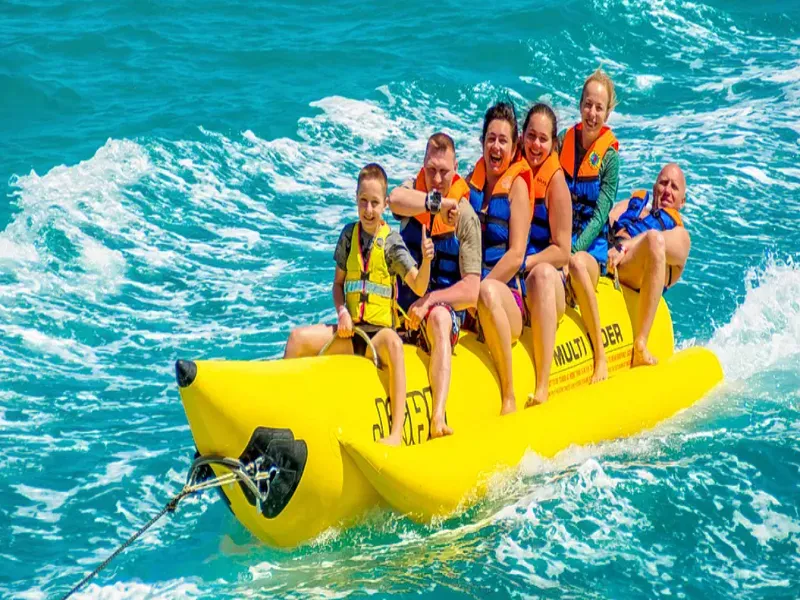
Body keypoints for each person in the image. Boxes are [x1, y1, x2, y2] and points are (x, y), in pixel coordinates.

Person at [283, 163, 434, 446]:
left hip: (378, 336)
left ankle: (396, 432)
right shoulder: (348, 236)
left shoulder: (391, 242)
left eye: (375, 203)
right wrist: (342, 312)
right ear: (356, 199)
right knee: (296, 339)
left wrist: (426, 260)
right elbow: (338, 285)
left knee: (395, 345)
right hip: (350, 333)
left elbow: (418, 285)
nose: (368, 210)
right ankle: (284, 417)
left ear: (385, 204)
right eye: (363, 201)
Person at [388, 132, 482, 438]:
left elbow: (471, 290)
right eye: (431, 170)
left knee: (439, 317)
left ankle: (438, 417)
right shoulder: (413, 195)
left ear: (456, 169)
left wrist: (429, 301)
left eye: (444, 171)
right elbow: (393, 200)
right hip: (402, 310)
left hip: (440, 310)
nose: (437, 179)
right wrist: (435, 205)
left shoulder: (465, 216)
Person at [467, 102, 532, 415]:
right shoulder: (471, 182)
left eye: (503, 140)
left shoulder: (517, 187)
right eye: (491, 139)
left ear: (514, 147)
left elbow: (516, 255)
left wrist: (478, 292)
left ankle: (509, 396)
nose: (496, 146)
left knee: (489, 292)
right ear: (482, 143)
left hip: (507, 300)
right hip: (470, 297)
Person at [559, 69, 620, 384]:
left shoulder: (609, 158)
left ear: (607, 113)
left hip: (590, 247)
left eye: (599, 108)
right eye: (588, 105)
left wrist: (571, 250)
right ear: (580, 105)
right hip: (559, 237)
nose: (592, 113)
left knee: (578, 266)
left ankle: (600, 356)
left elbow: (600, 215)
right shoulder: (563, 141)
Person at [608, 163, 691, 367]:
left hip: (632, 274)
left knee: (654, 240)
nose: (667, 190)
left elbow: (655, 240)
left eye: (674, 187)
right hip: (606, 261)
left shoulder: (681, 237)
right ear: (654, 188)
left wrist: (624, 247)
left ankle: (641, 342)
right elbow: (605, 221)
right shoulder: (630, 205)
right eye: (663, 183)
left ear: (682, 201)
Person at [518, 104, 572, 407]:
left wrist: (524, 263)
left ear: (553, 143)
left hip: (548, 282)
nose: (535, 145)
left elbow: (562, 251)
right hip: (515, 278)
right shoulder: (511, 169)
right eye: (531, 136)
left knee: (540, 275)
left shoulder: (556, 184)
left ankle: (542, 385)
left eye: (543, 139)